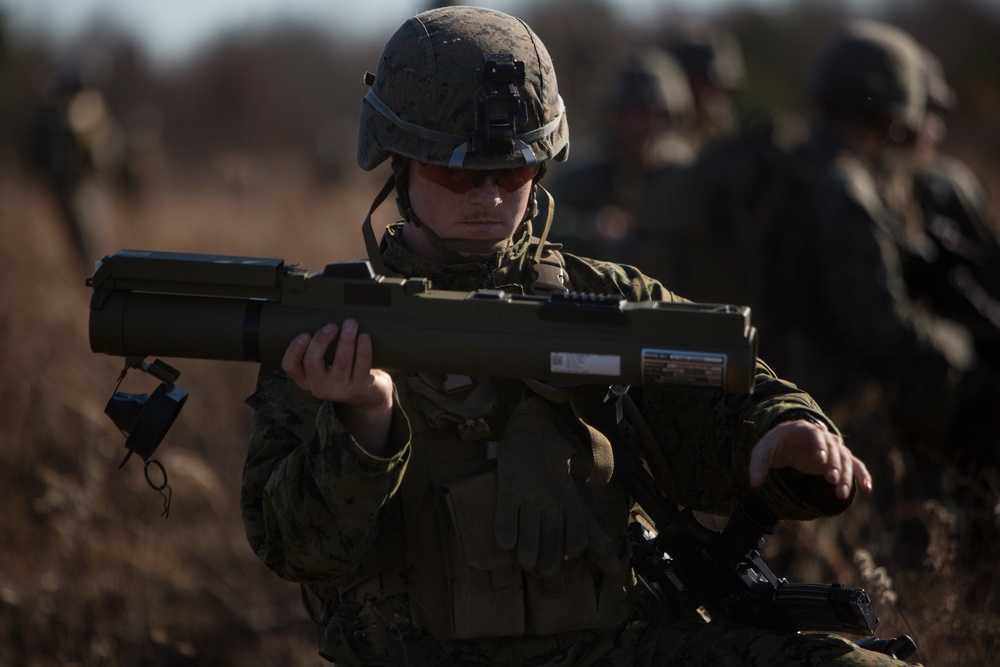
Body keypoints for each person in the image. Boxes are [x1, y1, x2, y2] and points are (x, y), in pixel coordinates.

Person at [241, 8, 917, 666]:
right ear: (399, 164)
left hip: (614, 645)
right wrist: (362, 424)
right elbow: (295, 549)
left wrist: (780, 430)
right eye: (457, 173)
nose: (488, 197)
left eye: (511, 173)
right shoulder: (335, 324)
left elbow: (723, 388)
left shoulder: (600, 296)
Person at [546, 46, 696, 269]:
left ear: (669, 118)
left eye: (649, 114)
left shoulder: (688, 178)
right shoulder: (585, 175)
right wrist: (589, 227)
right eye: (628, 115)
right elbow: (541, 220)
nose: (637, 127)